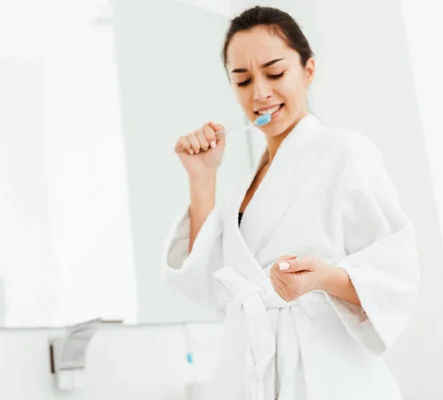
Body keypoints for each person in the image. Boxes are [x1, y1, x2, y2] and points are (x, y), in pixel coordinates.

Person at [163, 6, 420, 400]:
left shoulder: (347, 153)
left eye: (275, 72)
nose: (260, 93)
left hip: (329, 375)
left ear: (309, 70)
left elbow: (395, 272)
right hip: (253, 373)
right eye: (243, 80)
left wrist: (322, 278)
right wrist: (202, 177)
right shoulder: (240, 189)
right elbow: (210, 286)